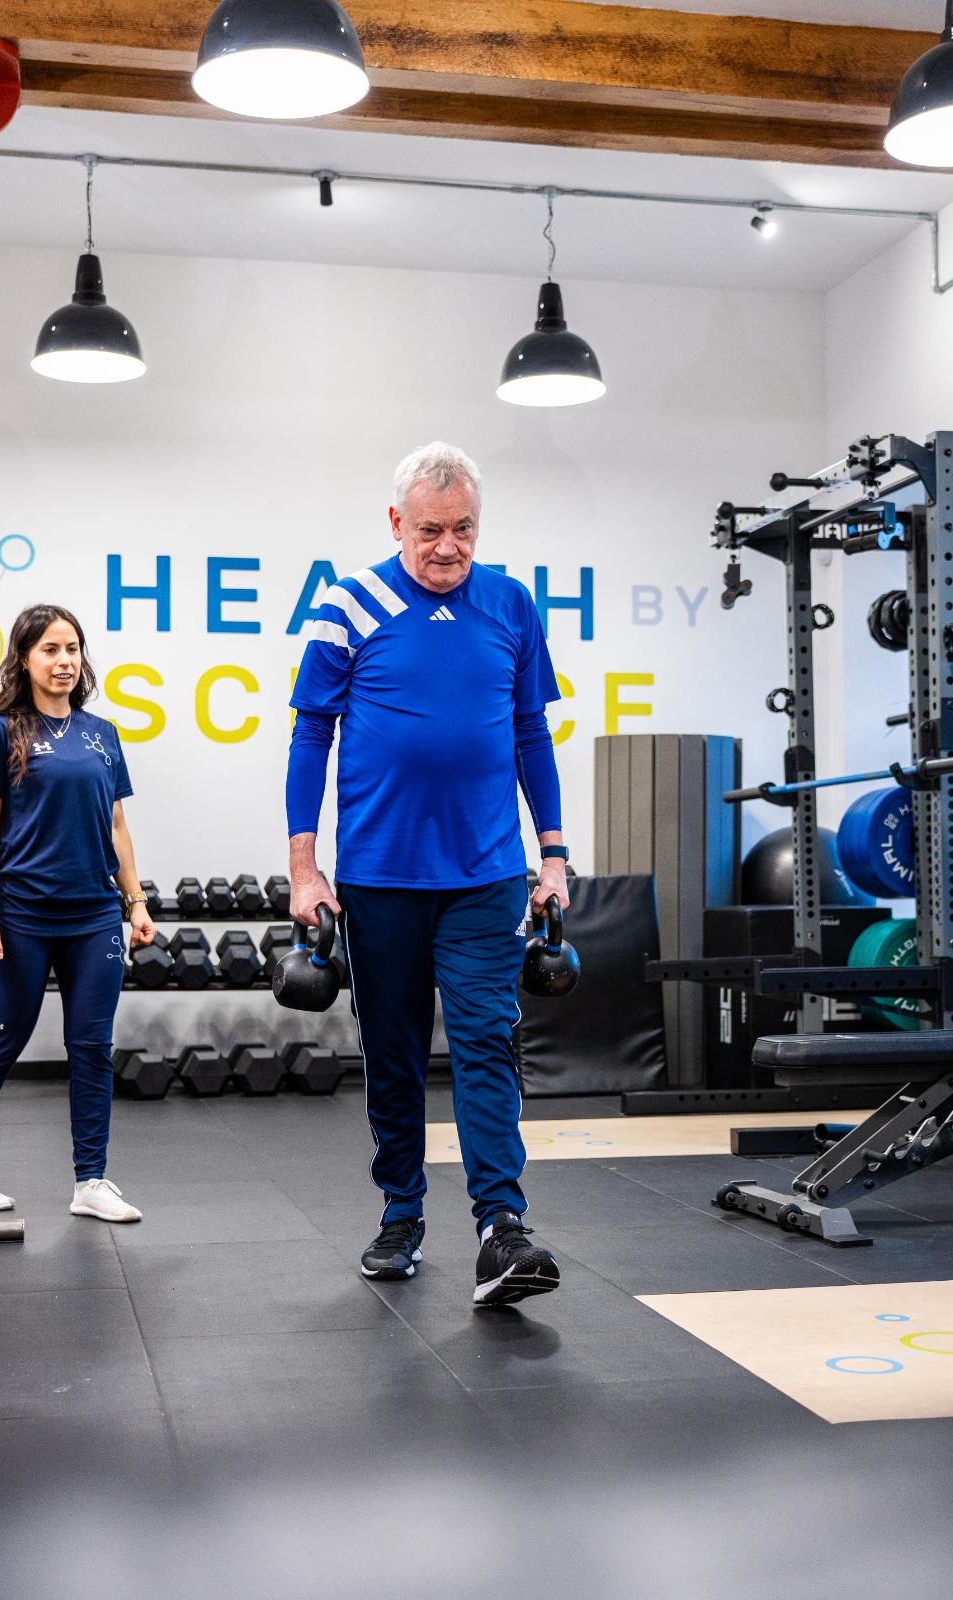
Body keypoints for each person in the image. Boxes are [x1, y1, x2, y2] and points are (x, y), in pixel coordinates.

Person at [286, 441, 570, 1307]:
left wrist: (552, 855)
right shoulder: (348, 604)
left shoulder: (512, 605)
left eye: (463, 530)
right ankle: (401, 1213)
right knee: (396, 1053)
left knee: (486, 1040)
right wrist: (306, 869)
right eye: (429, 531)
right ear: (395, 522)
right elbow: (310, 736)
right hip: (378, 876)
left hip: (486, 875)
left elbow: (531, 737)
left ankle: (501, 1228)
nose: (447, 547)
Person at [0, 604, 154, 1224]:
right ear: (25, 659)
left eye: (73, 649)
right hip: (20, 912)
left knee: (91, 1046)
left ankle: (91, 1181)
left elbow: (115, 824)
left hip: (93, 917)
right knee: (3, 1040)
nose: (64, 661)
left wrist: (135, 901)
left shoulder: (101, 732)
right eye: (50, 650)